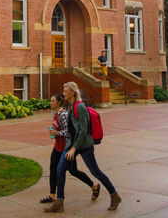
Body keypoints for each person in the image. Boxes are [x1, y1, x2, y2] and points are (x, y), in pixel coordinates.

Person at [45, 82, 121, 213]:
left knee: (95, 171)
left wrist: (74, 149)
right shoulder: (69, 106)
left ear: (73, 92)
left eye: (66, 91)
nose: (64, 93)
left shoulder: (79, 106)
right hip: (72, 145)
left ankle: (115, 196)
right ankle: (59, 202)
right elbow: (71, 129)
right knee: (60, 169)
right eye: (63, 91)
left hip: (83, 145)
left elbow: (83, 130)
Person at [41, 93, 99, 204]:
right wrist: (54, 132)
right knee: (53, 169)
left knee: (73, 171)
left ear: (59, 102)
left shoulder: (63, 114)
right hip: (57, 146)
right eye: (51, 101)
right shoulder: (55, 113)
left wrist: (56, 133)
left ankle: (93, 185)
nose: (51, 103)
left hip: (66, 147)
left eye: (53, 101)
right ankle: (52, 195)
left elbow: (68, 132)